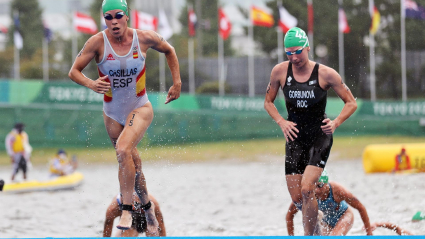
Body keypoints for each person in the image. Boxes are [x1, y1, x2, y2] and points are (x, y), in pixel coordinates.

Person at [68, 0, 181, 234]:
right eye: (108, 17)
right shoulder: (97, 42)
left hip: (140, 107)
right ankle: (148, 209)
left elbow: (170, 50)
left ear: (127, 16)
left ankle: (127, 210)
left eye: (118, 15)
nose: (113, 21)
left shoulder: (144, 38)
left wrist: (177, 82)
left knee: (122, 149)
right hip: (111, 113)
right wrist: (91, 83)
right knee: (132, 162)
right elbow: (73, 71)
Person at [264, 27, 357, 235]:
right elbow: (268, 102)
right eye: (289, 52)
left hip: (319, 137)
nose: (294, 57)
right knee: (298, 198)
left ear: (307, 48)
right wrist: (281, 121)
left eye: (298, 51)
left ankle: (310, 237)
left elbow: (351, 103)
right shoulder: (279, 72)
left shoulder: (326, 74)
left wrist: (335, 123)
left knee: (307, 189)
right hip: (294, 137)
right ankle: (320, 230)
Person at [286, 170, 373, 236]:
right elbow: (289, 216)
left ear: (327, 183)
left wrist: (369, 233)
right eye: (314, 186)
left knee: (333, 237)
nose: (317, 190)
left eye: (320, 186)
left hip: (344, 216)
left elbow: (360, 207)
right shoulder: (307, 193)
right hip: (326, 221)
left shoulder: (338, 190)